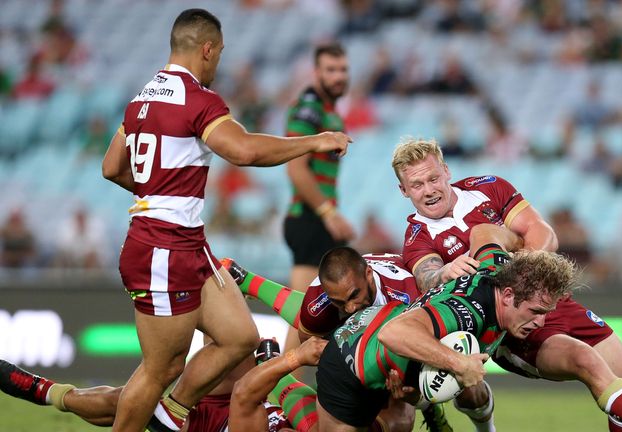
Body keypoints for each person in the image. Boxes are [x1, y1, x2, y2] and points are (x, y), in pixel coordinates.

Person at [101, 9, 351, 432]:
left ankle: (171, 416)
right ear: (207, 49)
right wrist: (315, 141)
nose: (217, 64)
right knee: (159, 370)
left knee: (240, 338)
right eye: (218, 55)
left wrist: (158, 192)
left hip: (188, 244)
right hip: (163, 248)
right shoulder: (199, 100)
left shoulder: (141, 99)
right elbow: (245, 151)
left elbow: (111, 167)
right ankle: (155, 414)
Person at [391, 138, 622, 432]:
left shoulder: (488, 187)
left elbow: (543, 233)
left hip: (550, 299)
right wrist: (445, 271)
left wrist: (518, 273)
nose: (429, 190)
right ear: (404, 190)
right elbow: (428, 277)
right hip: (511, 326)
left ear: (446, 171)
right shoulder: (417, 238)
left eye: (433, 178)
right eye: (417, 185)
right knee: (583, 361)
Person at [314, 225, 570, 431]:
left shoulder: (497, 268)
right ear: (508, 296)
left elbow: (483, 231)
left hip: (391, 361)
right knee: (397, 423)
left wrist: (529, 256)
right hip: (348, 361)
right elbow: (393, 333)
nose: (541, 322)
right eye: (536, 312)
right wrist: (459, 364)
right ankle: (278, 399)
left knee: (472, 390)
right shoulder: (464, 312)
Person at [223, 249, 448, 432]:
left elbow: (426, 355)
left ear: (369, 275)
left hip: (408, 328)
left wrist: (416, 391)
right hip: (362, 337)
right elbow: (311, 346)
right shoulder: (319, 299)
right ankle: (244, 281)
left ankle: (267, 360)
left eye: (353, 296)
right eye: (339, 302)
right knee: (396, 422)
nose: (350, 307)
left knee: (405, 405)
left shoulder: (410, 297)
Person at [0, 337, 327, 432]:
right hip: (241, 400)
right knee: (234, 340)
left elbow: (248, 395)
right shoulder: (311, 427)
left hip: (216, 423)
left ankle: (48, 392)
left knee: (129, 404)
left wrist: (283, 362)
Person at [283, 42, 356, 368]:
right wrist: (328, 212)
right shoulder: (309, 109)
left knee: (314, 319)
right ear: (316, 73)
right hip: (310, 219)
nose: (338, 76)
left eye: (343, 70)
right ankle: (282, 393)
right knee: (303, 318)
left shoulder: (330, 111)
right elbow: (296, 168)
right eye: (331, 70)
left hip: (317, 221)